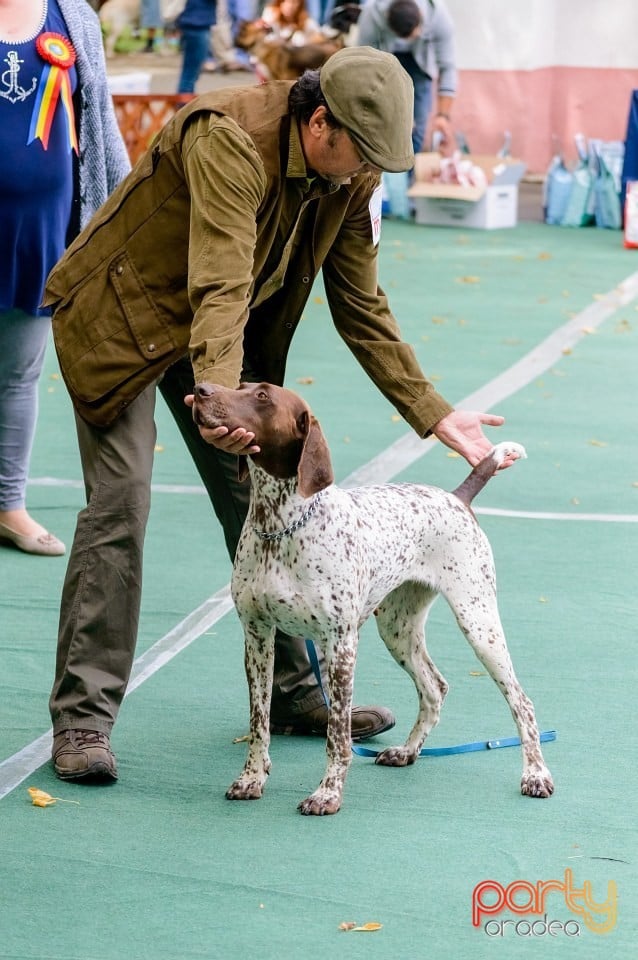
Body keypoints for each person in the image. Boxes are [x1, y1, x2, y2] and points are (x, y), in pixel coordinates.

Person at [45, 46, 514, 783]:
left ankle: (296, 696)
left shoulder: (350, 174)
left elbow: (361, 305)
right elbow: (221, 283)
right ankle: (83, 723)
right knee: (121, 505)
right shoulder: (228, 137)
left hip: (215, 341)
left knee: (266, 501)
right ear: (318, 121)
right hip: (122, 322)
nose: (370, 175)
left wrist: (434, 414)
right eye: (363, 156)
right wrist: (224, 406)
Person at [0, 0, 130, 558]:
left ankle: (8, 505)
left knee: (19, 375)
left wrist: (124, 211)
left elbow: (99, 124)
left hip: (43, 233)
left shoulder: (73, 17)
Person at [357, 0, 456, 156]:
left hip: (419, 67)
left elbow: (447, 67)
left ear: (421, 17)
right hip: (383, 62)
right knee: (383, 126)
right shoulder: (371, 15)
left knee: (417, 131)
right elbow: (361, 63)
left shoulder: (438, 16)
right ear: (387, 19)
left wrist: (443, 116)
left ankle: (408, 174)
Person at [176, 0, 217, 92]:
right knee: (191, 71)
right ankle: (184, 101)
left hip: (195, 21)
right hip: (196, 23)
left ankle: (184, 98)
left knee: (191, 70)